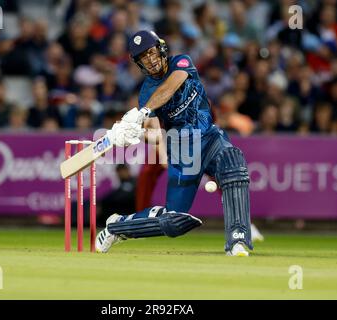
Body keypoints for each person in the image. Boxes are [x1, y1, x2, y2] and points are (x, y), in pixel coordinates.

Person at [96, 30, 253, 256]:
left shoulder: (181, 62)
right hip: (182, 151)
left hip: (210, 137)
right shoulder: (146, 93)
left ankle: (237, 241)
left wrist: (143, 111)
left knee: (234, 165)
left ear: (161, 49)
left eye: (151, 52)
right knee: (173, 221)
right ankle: (117, 226)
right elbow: (154, 132)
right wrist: (132, 134)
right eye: (143, 57)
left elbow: (170, 87)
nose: (149, 60)